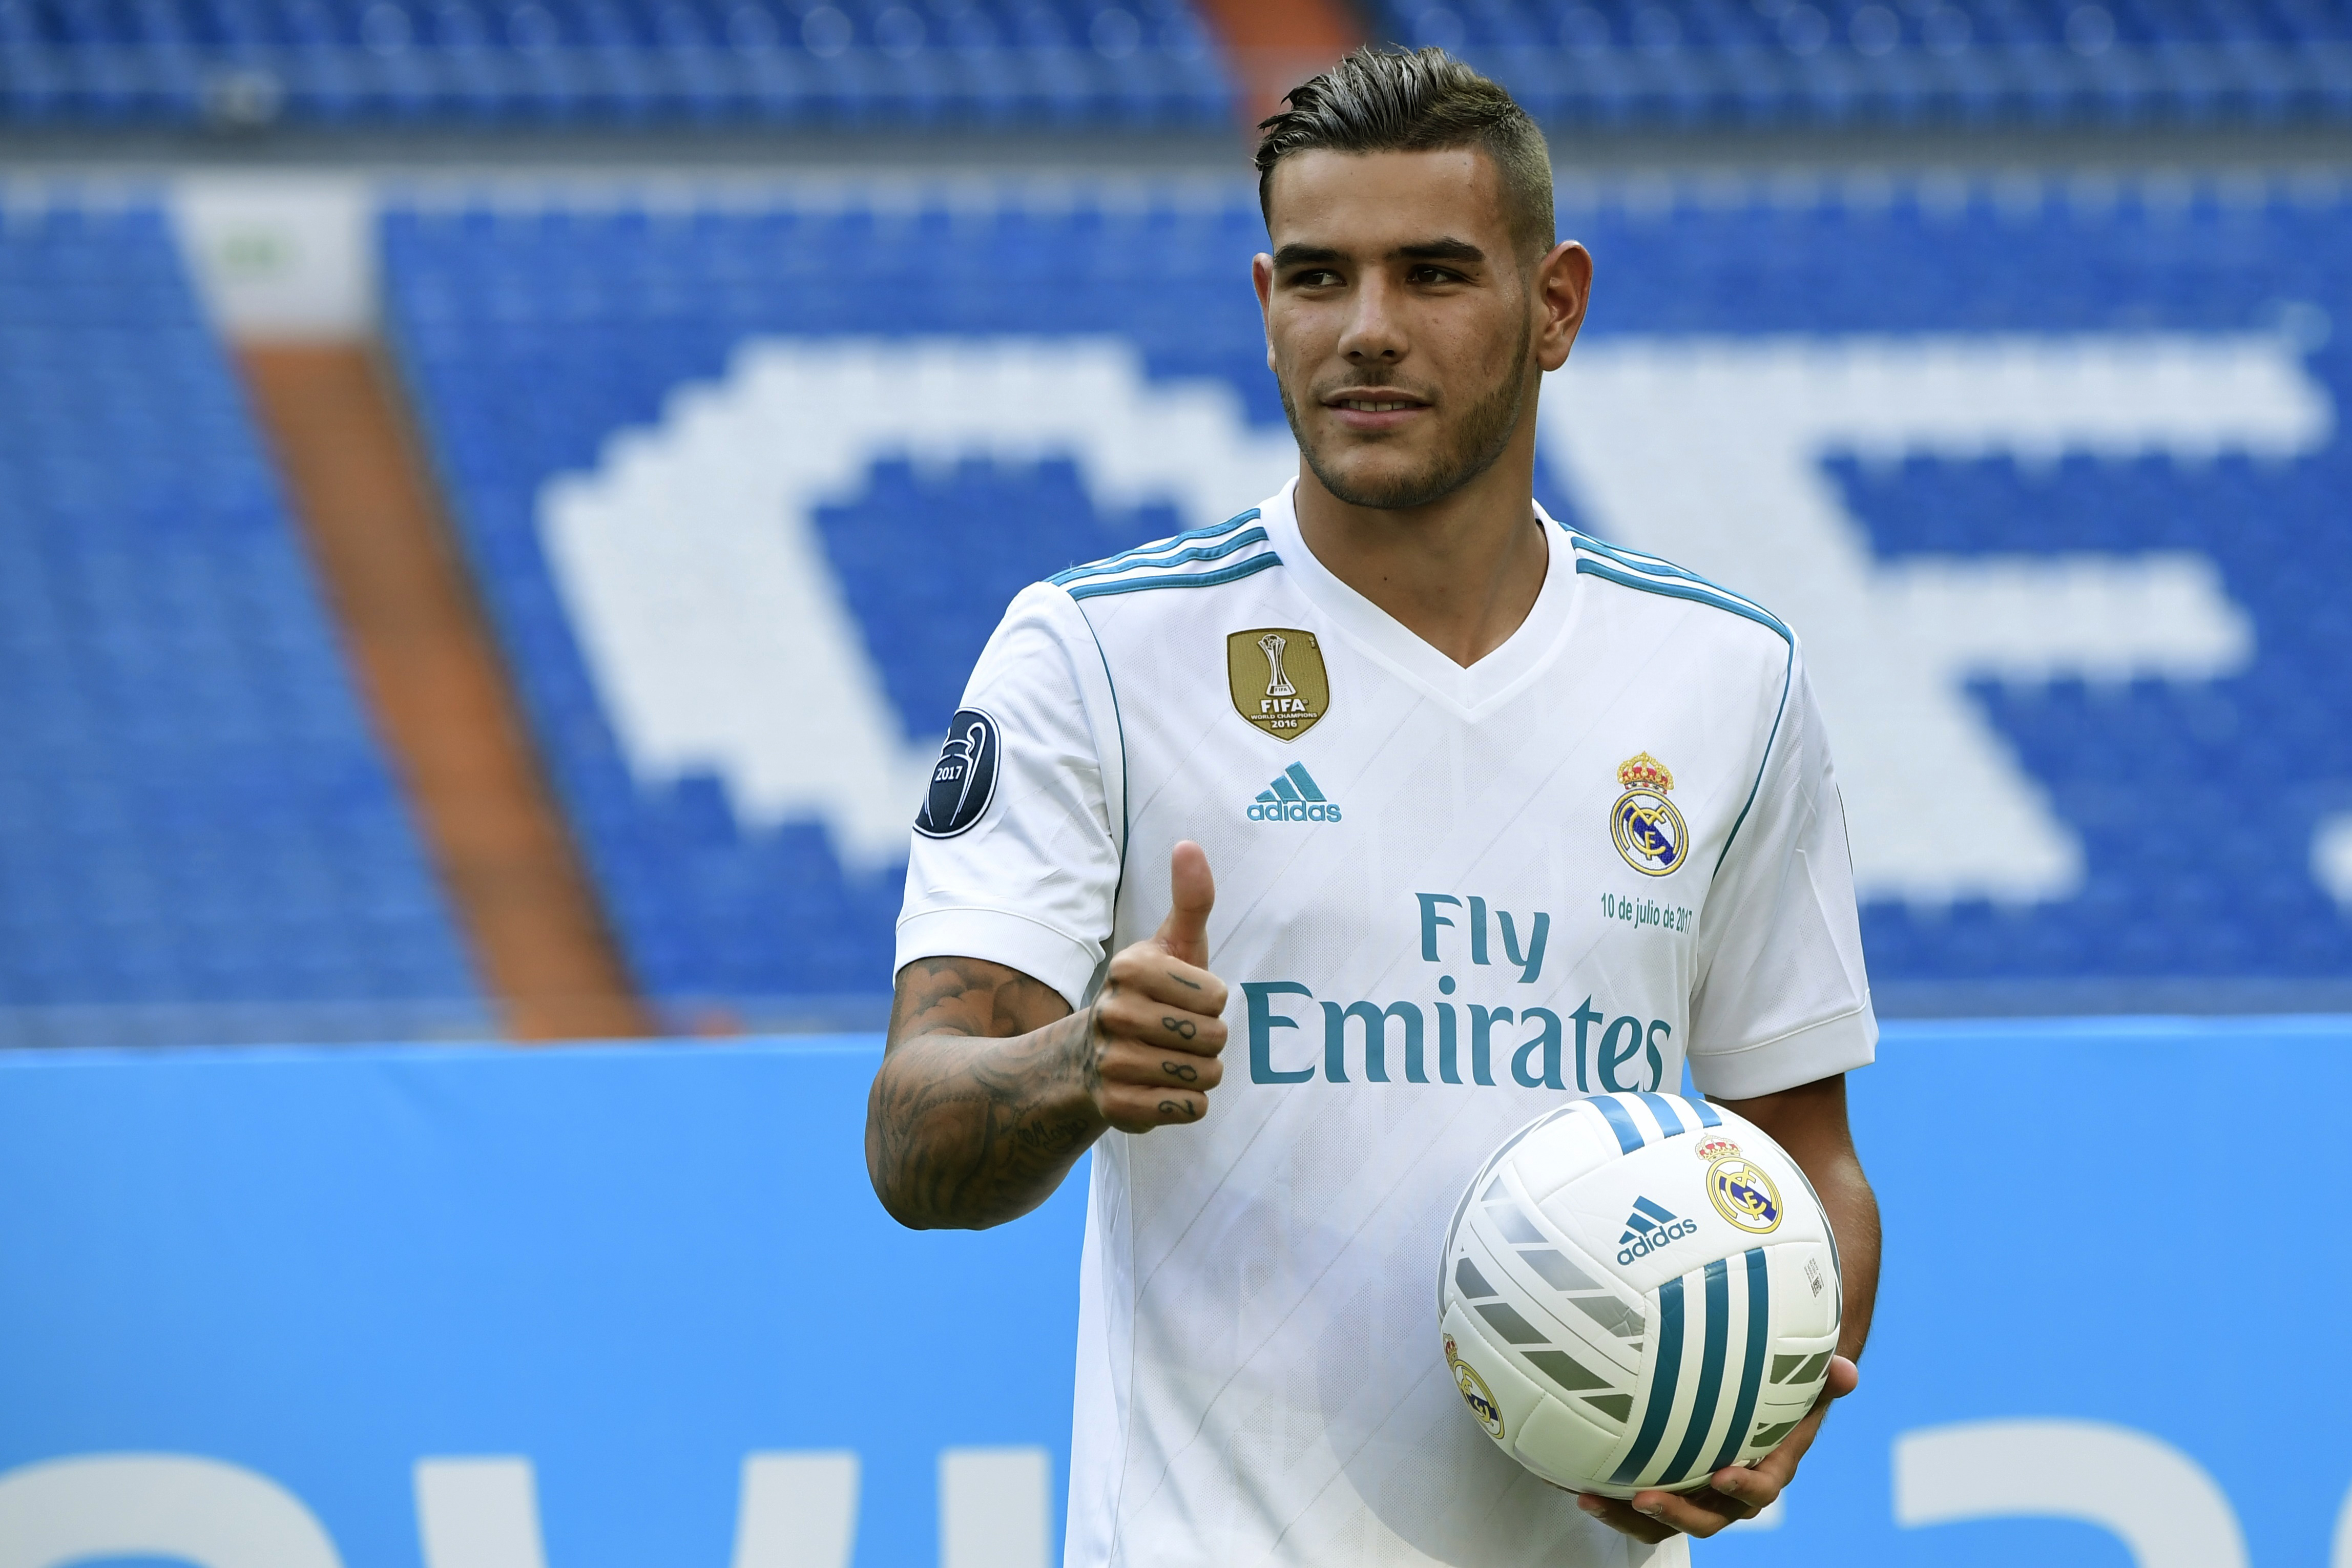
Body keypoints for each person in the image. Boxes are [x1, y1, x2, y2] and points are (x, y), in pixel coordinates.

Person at [865, 45, 1880, 1568]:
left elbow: (1803, 1149)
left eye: (1434, 274)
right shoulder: (1096, 651)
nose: (1369, 334)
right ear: (1265, 300)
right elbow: (913, 1140)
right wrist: (1080, 1065)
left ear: (1557, 306)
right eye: (1320, 279)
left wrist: (1771, 1394)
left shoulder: (1725, 678)